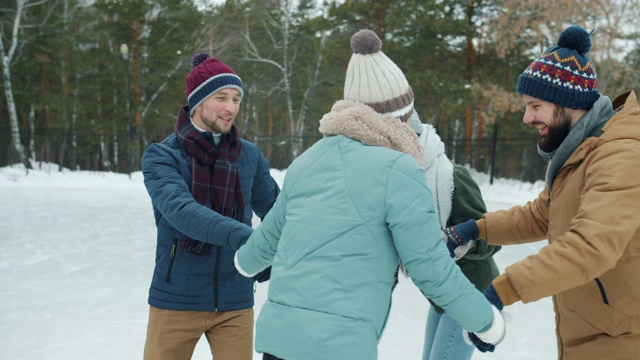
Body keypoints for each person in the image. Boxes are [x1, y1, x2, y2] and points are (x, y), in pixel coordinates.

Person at [233, 29, 505, 360]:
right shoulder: (400, 171)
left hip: (279, 344)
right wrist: (487, 320)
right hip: (340, 348)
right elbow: (431, 268)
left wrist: (243, 262)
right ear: (401, 117)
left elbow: (261, 247)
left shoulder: (307, 161)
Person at [444, 25, 640, 359]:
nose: (526, 117)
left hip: (622, 338)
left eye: (535, 105)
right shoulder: (580, 151)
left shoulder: (620, 155)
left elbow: (591, 246)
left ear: (568, 104)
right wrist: (476, 229)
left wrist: (502, 290)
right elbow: (542, 214)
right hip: (590, 329)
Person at [140, 52, 280, 360]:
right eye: (221, 98)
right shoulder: (162, 156)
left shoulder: (249, 156)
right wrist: (249, 239)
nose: (231, 108)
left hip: (235, 302)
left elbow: (278, 212)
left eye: (236, 99)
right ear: (197, 100)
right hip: (175, 301)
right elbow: (183, 212)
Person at [407, 113, 501, 360]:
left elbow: (492, 236)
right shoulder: (404, 184)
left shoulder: (451, 177)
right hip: (442, 290)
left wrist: (462, 241)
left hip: (471, 289)